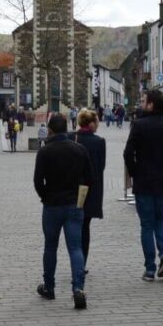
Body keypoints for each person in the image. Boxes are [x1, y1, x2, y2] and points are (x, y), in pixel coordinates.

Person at [33, 114, 92, 310]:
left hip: (52, 205)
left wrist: (45, 196)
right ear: (66, 129)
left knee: (50, 246)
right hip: (74, 204)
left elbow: (37, 180)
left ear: (50, 130)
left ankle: (49, 287)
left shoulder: (45, 152)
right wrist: (81, 200)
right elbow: (89, 179)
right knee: (75, 248)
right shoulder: (80, 150)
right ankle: (78, 288)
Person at [123, 90, 163, 281]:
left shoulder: (139, 125)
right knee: (160, 219)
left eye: (143, 101)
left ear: (150, 105)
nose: (141, 104)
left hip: (143, 182)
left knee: (147, 225)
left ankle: (150, 268)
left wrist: (134, 172)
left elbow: (128, 153)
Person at [72, 109, 106, 269]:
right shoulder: (99, 142)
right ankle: (82, 262)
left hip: (72, 190)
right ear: (91, 123)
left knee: (74, 227)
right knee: (85, 227)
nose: (98, 125)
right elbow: (101, 167)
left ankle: (75, 260)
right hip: (90, 191)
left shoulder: (72, 138)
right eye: (97, 122)